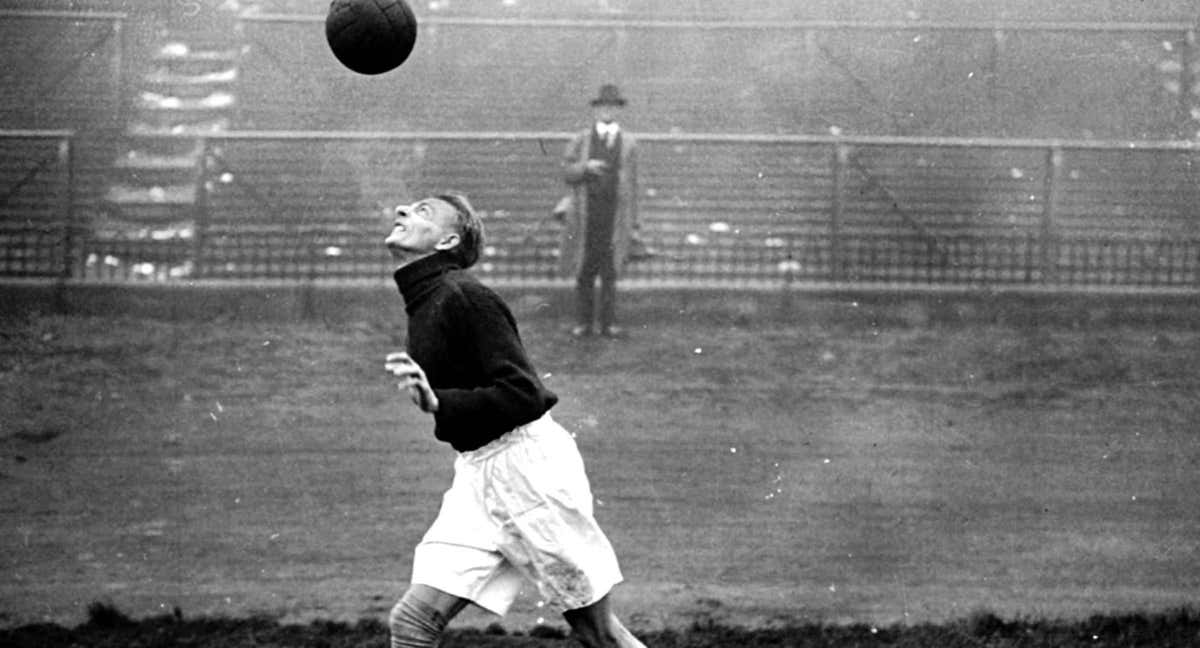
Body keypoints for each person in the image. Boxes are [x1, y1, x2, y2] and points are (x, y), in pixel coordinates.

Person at [382, 193, 647, 648]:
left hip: (530, 476)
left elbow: (523, 393)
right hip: (477, 477)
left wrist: (439, 402)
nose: (404, 211)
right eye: (408, 207)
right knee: (411, 623)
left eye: (423, 211)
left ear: (447, 241)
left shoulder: (465, 296)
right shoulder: (426, 297)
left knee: (599, 634)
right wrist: (439, 402)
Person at [559, 83, 640, 338]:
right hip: (586, 215)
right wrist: (585, 167)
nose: (607, 111)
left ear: (618, 110)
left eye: (612, 106)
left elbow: (634, 183)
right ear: (596, 110)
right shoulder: (581, 140)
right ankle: (584, 323)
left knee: (610, 271)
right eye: (603, 106)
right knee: (584, 270)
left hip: (614, 215)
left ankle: (608, 324)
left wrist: (633, 219)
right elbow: (566, 173)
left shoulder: (629, 144)